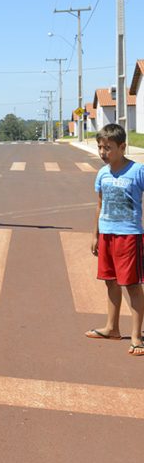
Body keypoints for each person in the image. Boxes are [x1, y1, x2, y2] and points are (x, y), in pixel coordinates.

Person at [86, 123, 144, 356]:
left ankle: (137, 336)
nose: (103, 152)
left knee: (131, 285)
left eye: (108, 148)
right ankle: (112, 328)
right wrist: (95, 234)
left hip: (129, 235)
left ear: (122, 147)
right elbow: (100, 205)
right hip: (107, 234)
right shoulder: (102, 173)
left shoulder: (137, 171)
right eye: (100, 147)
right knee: (110, 281)